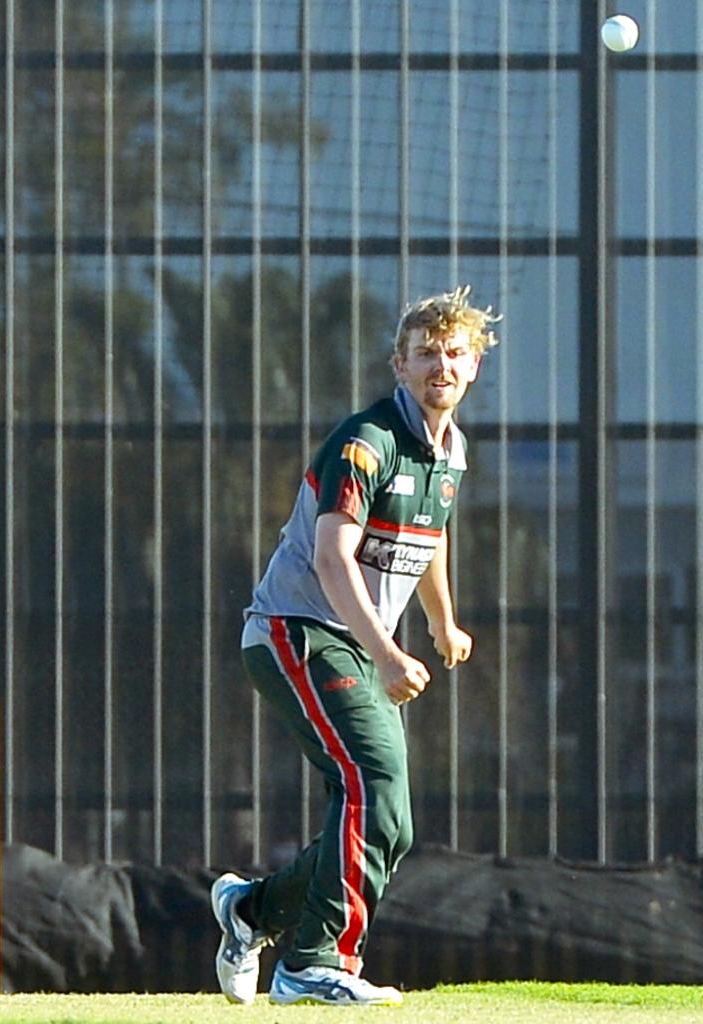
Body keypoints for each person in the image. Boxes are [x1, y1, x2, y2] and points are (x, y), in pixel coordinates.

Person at [211, 285, 501, 1006]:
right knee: (372, 788)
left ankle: (252, 910)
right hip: (295, 632)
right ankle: (314, 963)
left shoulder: (451, 449)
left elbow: (429, 534)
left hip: (352, 644)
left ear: (474, 369)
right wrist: (388, 652)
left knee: (390, 819)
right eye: (426, 352)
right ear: (398, 365)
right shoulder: (366, 442)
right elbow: (334, 560)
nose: (442, 364)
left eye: (456, 353)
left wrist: (441, 621)